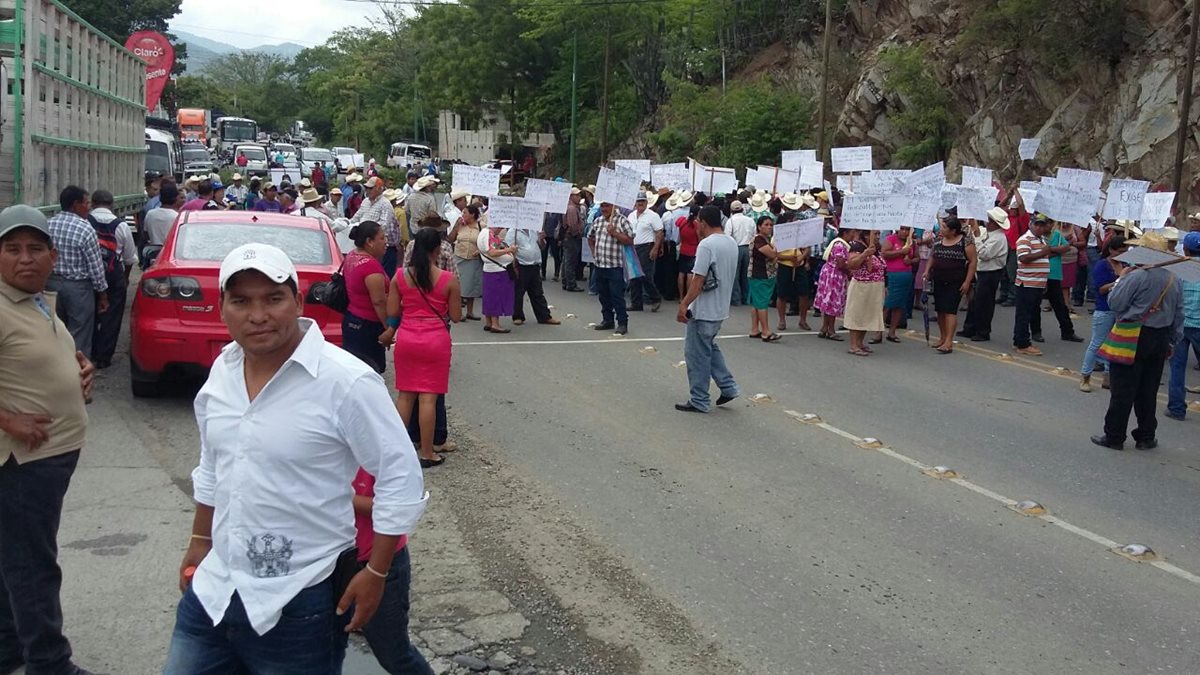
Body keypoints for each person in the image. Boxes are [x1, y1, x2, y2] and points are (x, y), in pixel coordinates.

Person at [163, 243, 428, 674]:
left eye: (273, 298)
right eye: (241, 301)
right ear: (221, 307)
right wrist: (200, 540)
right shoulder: (223, 371)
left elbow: (401, 477)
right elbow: (213, 463)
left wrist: (377, 573)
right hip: (214, 591)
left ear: (299, 301)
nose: (258, 315)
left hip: (300, 600)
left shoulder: (345, 380)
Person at [0, 205, 100, 675]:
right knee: (33, 565)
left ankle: (9, 648)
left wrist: (78, 366)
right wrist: (8, 421)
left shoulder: (35, 299)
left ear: (52, 255)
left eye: (35, 248)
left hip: (51, 456)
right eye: (12, 249)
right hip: (22, 461)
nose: (25, 258)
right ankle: (48, 662)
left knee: (14, 557)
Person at [1090, 232, 1185, 450]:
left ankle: (1114, 436)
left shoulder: (1136, 276)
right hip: (1160, 337)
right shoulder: (1173, 278)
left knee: (1123, 389)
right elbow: (1179, 314)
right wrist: (1172, 341)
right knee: (1148, 390)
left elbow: (1115, 303)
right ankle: (1146, 436)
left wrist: (1121, 278)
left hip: (1134, 334)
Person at [380, 228, 461, 468]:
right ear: (438, 249)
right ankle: (428, 453)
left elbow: (393, 312)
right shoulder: (448, 279)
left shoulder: (400, 276)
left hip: (407, 338)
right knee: (428, 398)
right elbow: (456, 316)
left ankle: (395, 452)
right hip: (436, 339)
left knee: (405, 396)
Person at [349, 467, 434, 675]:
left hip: (375, 563)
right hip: (327, 563)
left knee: (394, 654)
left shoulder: (378, 447)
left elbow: (399, 506)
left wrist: (331, 498)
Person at [675, 204, 741, 413]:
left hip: (704, 309)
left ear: (703, 222)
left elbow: (698, 280)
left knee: (696, 354)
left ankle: (699, 399)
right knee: (708, 347)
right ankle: (728, 387)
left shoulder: (706, 245)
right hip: (720, 307)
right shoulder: (730, 242)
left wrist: (684, 304)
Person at [45, 186, 108, 356]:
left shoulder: (48, 225)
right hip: (78, 289)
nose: (89, 207)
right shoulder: (85, 229)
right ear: (75, 205)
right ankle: (77, 374)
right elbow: (96, 268)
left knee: (55, 331)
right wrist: (102, 294)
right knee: (79, 334)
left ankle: (56, 369)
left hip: (50, 285)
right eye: (86, 203)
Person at [86, 191, 136, 369]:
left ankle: (88, 351)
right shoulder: (121, 226)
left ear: (92, 203)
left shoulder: (85, 223)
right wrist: (125, 278)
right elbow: (130, 258)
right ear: (112, 204)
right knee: (112, 317)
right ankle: (103, 357)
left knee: (88, 314)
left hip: (89, 275)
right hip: (114, 276)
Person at [341, 221, 390, 374]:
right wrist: (388, 328)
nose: (386, 242)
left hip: (351, 319)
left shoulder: (351, 256)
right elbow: (379, 301)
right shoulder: (370, 266)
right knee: (370, 371)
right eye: (382, 238)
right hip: (368, 325)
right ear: (369, 242)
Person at [1080, 234, 1127, 393]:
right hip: (1104, 309)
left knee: (1113, 345)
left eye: (1124, 250)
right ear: (1111, 250)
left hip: (1119, 310)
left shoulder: (1125, 264)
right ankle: (1085, 376)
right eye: (1119, 251)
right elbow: (1100, 288)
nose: (1122, 254)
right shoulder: (1102, 265)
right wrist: (1119, 281)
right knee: (1097, 344)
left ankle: (1108, 377)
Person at [925, 216, 977, 354]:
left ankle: (949, 341)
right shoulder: (938, 240)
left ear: (953, 230)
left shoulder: (964, 242)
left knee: (950, 310)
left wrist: (967, 282)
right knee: (940, 310)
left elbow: (972, 262)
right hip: (939, 279)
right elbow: (932, 256)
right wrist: (927, 270)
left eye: (944, 227)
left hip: (956, 281)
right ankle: (942, 337)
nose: (941, 230)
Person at [959, 208, 1010, 342]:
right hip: (982, 271)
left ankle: (982, 331)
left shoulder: (999, 238)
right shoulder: (990, 234)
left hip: (990, 273)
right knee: (974, 301)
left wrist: (976, 238)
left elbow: (985, 254)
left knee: (984, 303)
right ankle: (970, 328)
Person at [1165, 231, 1200, 418]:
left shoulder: (1177, 269)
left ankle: (1176, 408)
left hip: (1180, 324)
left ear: (1185, 248)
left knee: (1177, 367)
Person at [588, 201, 635, 336]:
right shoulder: (598, 221)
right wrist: (593, 252)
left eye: (607, 206)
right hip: (600, 264)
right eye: (602, 206)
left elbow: (630, 240)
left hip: (616, 265)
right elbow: (590, 237)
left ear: (614, 206)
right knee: (603, 295)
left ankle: (622, 322)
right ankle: (607, 320)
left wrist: (615, 233)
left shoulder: (622, 221)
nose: (604, 209)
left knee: (617, 296)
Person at [1012, 214, 1055, 356]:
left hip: (1038, 283)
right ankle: (1022, 344)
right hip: (1027, 283)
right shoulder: (1025, 239)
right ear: (1031, 224)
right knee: (1024, 314)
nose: (1039, 227)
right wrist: (1043, 252)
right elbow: (1024, 258)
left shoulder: (1042, 239)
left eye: (1042, 225)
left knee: (1028, 313)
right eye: (1037, 224)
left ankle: (1019, 339)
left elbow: (1043, 260)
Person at [507, 222, 560, 326]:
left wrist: (541, 239)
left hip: (535, 264)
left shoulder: (534, 230)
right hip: (521, 265)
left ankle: (544, 316)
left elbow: (542, 246)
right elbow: (508, 249)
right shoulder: (513, 232)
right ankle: (517, 316)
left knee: (537, 293)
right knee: (518, 292)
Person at [844, 231, 887, 356]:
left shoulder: (876, 248)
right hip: (861, 286)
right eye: (875, 234)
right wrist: (864, 254)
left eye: (879, 234)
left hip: (874, 287)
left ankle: (860, 342)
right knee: (857, 314)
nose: (878, 236)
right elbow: (852, 264)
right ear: (867, 235)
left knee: (867, 314)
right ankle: (853, 345)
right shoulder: (857, 247)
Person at [352, 177, 404, 278]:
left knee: (383, 275)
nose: (368, 191)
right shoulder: (366, 201)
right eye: (367, 188)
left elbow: (384, 226)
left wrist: (367, 232)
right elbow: (357, 217)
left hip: (384, 247)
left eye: (371, 188)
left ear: (379, 189)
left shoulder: (385, 204)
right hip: (367, 244)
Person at [1042, 218, 1084, 343]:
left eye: (1050, 223)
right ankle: (1035, 331)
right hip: (1040, 273)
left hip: (1054, 274)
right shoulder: (1038, 237)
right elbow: (1040, 253)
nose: (1048, 225)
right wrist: (1053, 251)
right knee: (1033, 305)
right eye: (1045, 223)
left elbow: (1066, 248)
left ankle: (1068, 331)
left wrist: (1052, 250)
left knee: (1060, 305)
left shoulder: (1057, 235)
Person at [814, 228, 856, 341]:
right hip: (834, 276)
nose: (853, 235)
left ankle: (824, 328)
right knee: (832, 302)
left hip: (831, 274)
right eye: (852, 232)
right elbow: (841, 264)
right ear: (845, 233)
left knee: (828, 302)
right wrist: (850, 272)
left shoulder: (840, 243)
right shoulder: (840, 245)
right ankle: (831, 330)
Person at [477, 225, 518, 334]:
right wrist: (509, 250)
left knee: (490, 296)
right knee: (496, 296)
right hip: (497, 270)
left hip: (492, 269)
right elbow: (492, 252)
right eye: (500, 227)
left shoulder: (486, 233)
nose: (501, 229)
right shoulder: (487, 234)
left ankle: (489, 321)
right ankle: (495, 323)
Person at [748, 214, 782, 342]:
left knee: (757, 303)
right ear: (759, 226)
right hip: (759, 275)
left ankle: (755, 329)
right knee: (762, 303)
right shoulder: (759, 240)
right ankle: (766, 331)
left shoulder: (765, 239)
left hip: (761, 274)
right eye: (766, 225)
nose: (769, 227)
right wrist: (778, 250)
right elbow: (772, 254)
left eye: (771, 225)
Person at [628, 192, 664, 313]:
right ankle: (636, 302)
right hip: (633, 246)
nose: (640, 203)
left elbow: (659, 232)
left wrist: (655, 248)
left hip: (646, 246)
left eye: (642, 201)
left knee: (645, 275)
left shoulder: (653, 215)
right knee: (633, 275)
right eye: (638, 201)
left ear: (646, 202)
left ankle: (655, 298)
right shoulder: (631, 215)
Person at [881, 226, 916, 343]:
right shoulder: (891, 239)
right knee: (888, 304)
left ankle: (892, 331)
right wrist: (901, 252)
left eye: (907, 230)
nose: (905, 232)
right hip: (892, 275)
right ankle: (878, 332)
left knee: (900, 305)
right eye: (902, 229)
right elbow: (885, 253)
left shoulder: (911, 242)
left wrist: (910, 261)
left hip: (906, 275)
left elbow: (917, 258)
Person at [449, 204, 484, 321]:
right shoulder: (460, 226)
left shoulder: (481, 226)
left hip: (473, 259)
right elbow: (451, 239)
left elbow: (487, 242)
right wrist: (456, 227)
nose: (463, 215)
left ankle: (470, 311)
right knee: (459, 285)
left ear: (472, 215)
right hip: (459, 257)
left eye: (465, 213)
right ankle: (459, 311)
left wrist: (480, 251)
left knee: (471, 285)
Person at [727, 200, 755, 307]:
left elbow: (728, 236)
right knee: (746, 274)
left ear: (731, 210)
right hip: (748, 248)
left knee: (735, 274)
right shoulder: (750, 220)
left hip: (735, 248)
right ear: (742, 209)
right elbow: (754, 235)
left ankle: (736, 299)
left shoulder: (731, 221)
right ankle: (746, 297)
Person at [559, 188, 586, 292]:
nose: (579, 198)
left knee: (567, 260)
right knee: (570, 261)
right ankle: (570, 283)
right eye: (577, 195)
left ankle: (566, 282)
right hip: (571, 237)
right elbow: (572, 225)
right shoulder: (571, 208)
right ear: (571, 196)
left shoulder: (571, 207)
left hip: (568, 237)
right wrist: (578, 233)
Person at [677, 204, 702, 303]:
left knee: (681, 273)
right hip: (693, 250)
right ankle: (688, 296)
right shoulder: (696, 225)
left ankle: (680, 297)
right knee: (690, 274)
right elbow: (699, 239)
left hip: (683, 248)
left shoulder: (682, 221)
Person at [145, 183, 182, 248]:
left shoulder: (150, 214)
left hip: (154, 253)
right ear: (176, 198)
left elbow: (146, 234)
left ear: (160, 197)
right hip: (170, 252)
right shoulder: (178, 217)